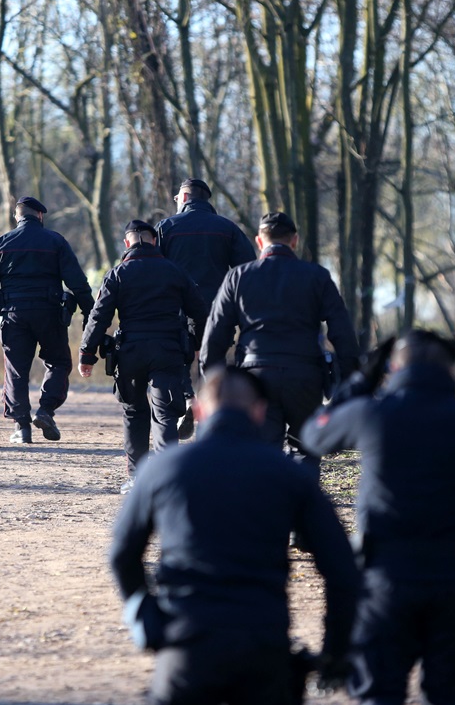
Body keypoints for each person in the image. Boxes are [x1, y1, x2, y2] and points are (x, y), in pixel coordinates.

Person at [300, 330, 455, 705]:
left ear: (393, 368)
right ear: (452, 370)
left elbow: (313, 433)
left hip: (384, 580)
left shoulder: (370, 413)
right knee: (445, 699)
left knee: (379, 696)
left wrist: (361, 381)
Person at [110, 366, 360, 705]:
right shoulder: (290, 474)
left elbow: (122, 555)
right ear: (259, 412)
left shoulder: (161, 467)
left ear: (198, 411)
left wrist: (149, 620)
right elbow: (342, 572)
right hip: (263, 644)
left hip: (186, 643)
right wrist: (334, 653)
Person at [200, 211, 359, 469]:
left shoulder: (238, 277)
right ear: (294, 240)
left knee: (261, 451)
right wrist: (349, 378)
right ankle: (300, 505)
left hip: (255, 377)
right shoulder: (317, 276)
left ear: (259, 242)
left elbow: (215, 335)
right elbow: (342, 331)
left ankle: (265, 505)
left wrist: (214, 383)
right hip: (305, 375)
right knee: (306, 449)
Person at [78, 220, 209, 494]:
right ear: (153, 241)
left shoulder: (117, 274)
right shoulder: (175, 272)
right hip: (168, 351)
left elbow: (99, 315)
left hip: (130, 353)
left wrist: (87, 354)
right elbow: (200, 311)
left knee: (134, 413)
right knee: (165, 416)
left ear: (127, 243)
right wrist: (196, 343)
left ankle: (138, 479)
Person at [0, 196, 95, 444]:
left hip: (14, 315)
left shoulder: (1, 243)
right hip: (50, 313)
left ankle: (22, 427)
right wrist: (90, 314)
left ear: (17, 216)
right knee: (58, 363)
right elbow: (78, 283)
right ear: (40, 216)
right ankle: (46, 410)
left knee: (16, 370)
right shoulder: (56, 241)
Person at [156, 177, 257, 438]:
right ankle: (213, 414)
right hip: (217, 308)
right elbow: (248, 269)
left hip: (175, 308)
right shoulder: (227, 228)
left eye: (177, 198)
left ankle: (190, 399)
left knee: (177, 358)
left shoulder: (165, 228)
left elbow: (151, 269)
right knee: (212, 361)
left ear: (186, 198)